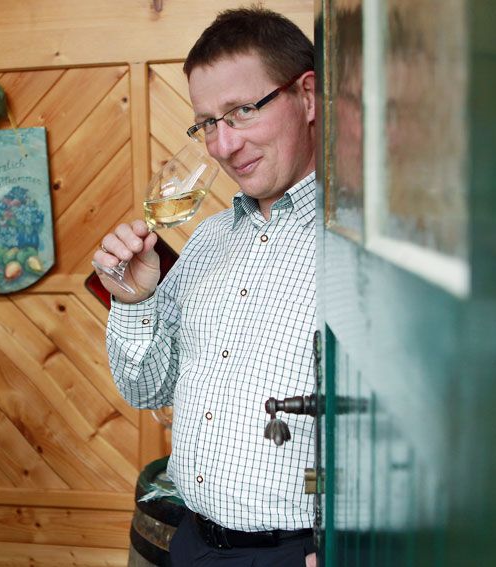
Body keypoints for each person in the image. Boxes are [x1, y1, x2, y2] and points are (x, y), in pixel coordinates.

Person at [93, 7, 317, 566]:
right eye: (207, 123)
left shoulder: (364, 241)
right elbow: (148, 389)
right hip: (191, 543)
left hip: (301, 554)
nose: (221, 146)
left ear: (307, 97)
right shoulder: (208, 240)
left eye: (242, 111)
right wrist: (135, 301)